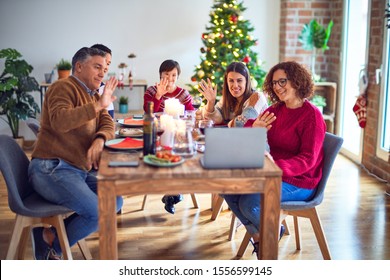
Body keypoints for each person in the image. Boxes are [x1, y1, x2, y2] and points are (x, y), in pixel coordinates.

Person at [223, 61, 326, 259]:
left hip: (300, 181)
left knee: (249, 204)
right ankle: (263, 236)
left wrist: (273, 167)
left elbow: (307, 159)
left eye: (282, 82)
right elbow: (253, 124)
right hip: (271, 173)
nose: (277, 87)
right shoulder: (277, 109)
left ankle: (267, 237)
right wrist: (254, 128)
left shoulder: (311, 116)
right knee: (227, 188)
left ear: (297, 81)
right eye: (274, 83)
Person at [28, 47, 123, 260]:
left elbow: (108, 122)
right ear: (79, 67)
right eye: (97, 67)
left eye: (105, 69)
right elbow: (61, 121)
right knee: (98, 211)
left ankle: (48, 237)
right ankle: (52, 247)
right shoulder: (63, 87)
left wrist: (99, 139)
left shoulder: (92, 94)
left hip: (74, 169)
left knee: (114, 201)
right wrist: (99, 105)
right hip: (50, 167)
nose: (102, 73)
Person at [144, 59, 194, 214]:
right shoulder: (152, 91)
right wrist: (159, 95)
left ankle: (172, 193)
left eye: (174, 75)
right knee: (164, 156)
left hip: (178, 135)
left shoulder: (183, 94)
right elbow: (148, 113)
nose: (170, 78)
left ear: (178, 76)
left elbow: (191, 113)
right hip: (158, 134)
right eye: (167, 74)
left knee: (183, 156)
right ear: (160, 76)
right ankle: (174, 192)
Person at [198, 61, 268, 127]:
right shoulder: (226, 98)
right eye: (231, 80)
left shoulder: (257, 97)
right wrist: (211, 102)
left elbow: (241, 124)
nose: (235, 85)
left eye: (239, 80)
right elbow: (216, 120)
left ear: (246, 81)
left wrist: (227, 124)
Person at [91, 43, 115, 119]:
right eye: (103, 63)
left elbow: (109, 117)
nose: (105, 67)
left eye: (108, 64)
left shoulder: (103, 88)